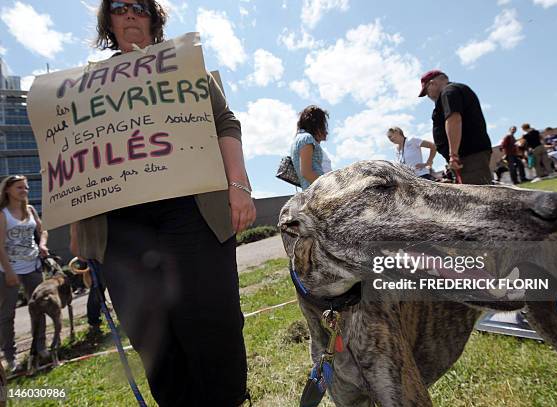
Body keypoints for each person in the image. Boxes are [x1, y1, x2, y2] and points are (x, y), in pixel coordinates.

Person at [69, 1, 255, 405]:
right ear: (109, 21)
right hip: (121, 227)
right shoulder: (87, 83)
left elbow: (225, 121)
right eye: (119, 6)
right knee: (153, 336)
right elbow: (74, 152)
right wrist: (79, 227)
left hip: (191, 211)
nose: (130, 13)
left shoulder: (184, 65)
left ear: (154, 18)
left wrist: (238, 184)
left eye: (139, 6)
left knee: (212, 322)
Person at [0, 175, 48, 373]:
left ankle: (40, 348)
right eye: (20, 187)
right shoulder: (3, 214)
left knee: (40, 307)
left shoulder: (29, 210)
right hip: (8, 270)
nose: (24, 190)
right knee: (6, 314)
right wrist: (10, 271)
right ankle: (10, 357)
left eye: (26, 187)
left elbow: (42, 230)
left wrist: (42, 244)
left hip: (33, 267)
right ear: (8, 190)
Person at [418, 70, 492, 185]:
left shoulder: (448, 92)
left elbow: (453, 120)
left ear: (432, 83)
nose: (428, 95)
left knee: (479, 197)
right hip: (468, 155)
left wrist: (453, 155)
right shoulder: (454, 90)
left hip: (468, 155)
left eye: (426, 91)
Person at [290, 105, 330, 189]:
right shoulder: (307, 138)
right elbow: (306, 172)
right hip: (316, 190)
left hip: (310, 190)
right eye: (322, 123)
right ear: (316, 122)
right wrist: (327, 188)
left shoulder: (299, 138)